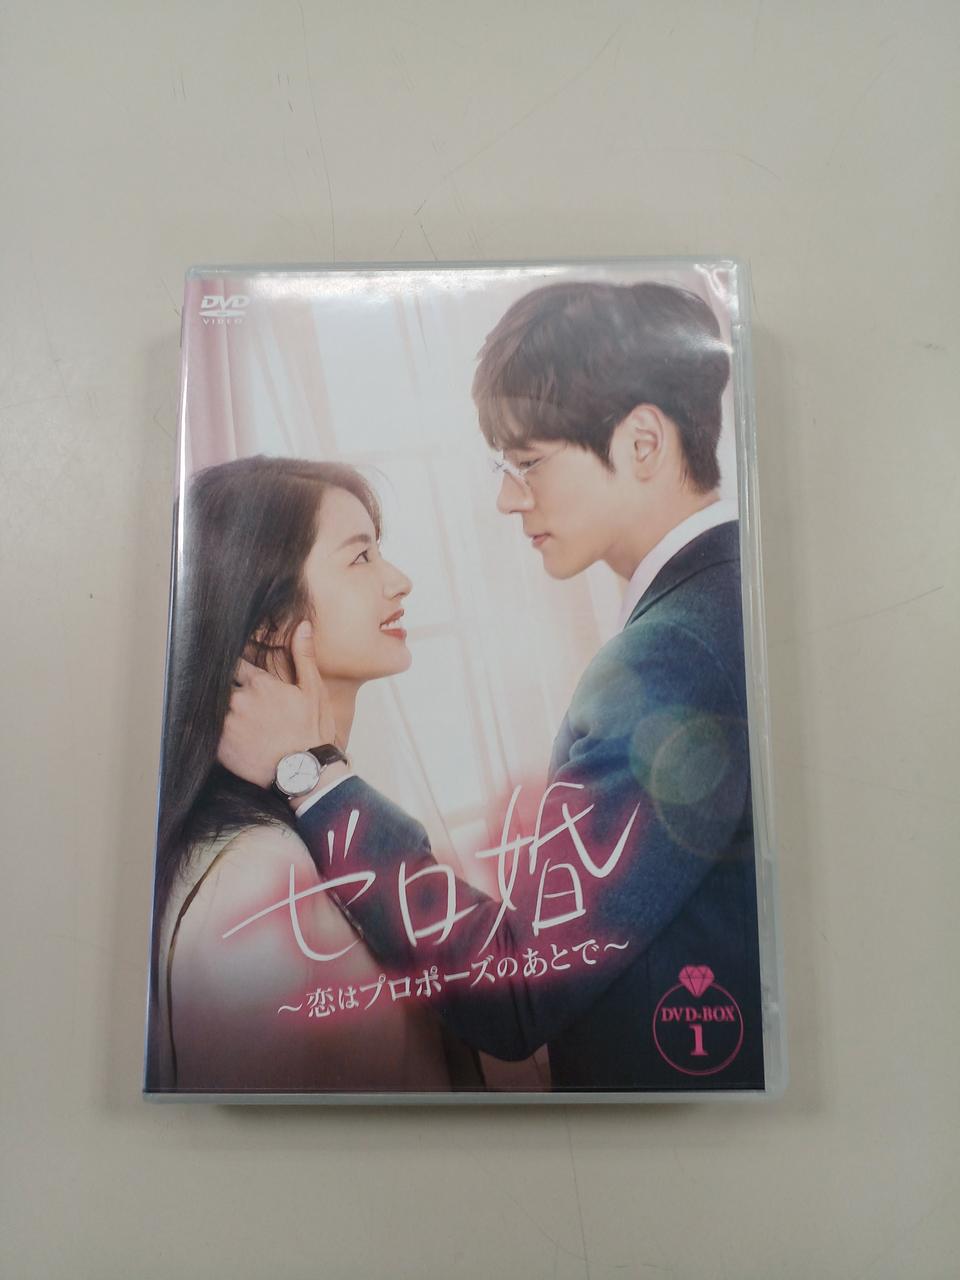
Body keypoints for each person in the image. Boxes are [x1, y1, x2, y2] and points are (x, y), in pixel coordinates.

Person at [218, 281, 765, 1092]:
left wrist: (313, 775)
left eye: (528, 462)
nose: (508, 499)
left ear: (644, 442)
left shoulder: (671, 653)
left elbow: (516, 992)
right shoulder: (723, 604)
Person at [146, 455, 465, 1094]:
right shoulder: (254, 876)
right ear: (268, 622)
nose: (400, 581)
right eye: (360, 557)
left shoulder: (318, 818)